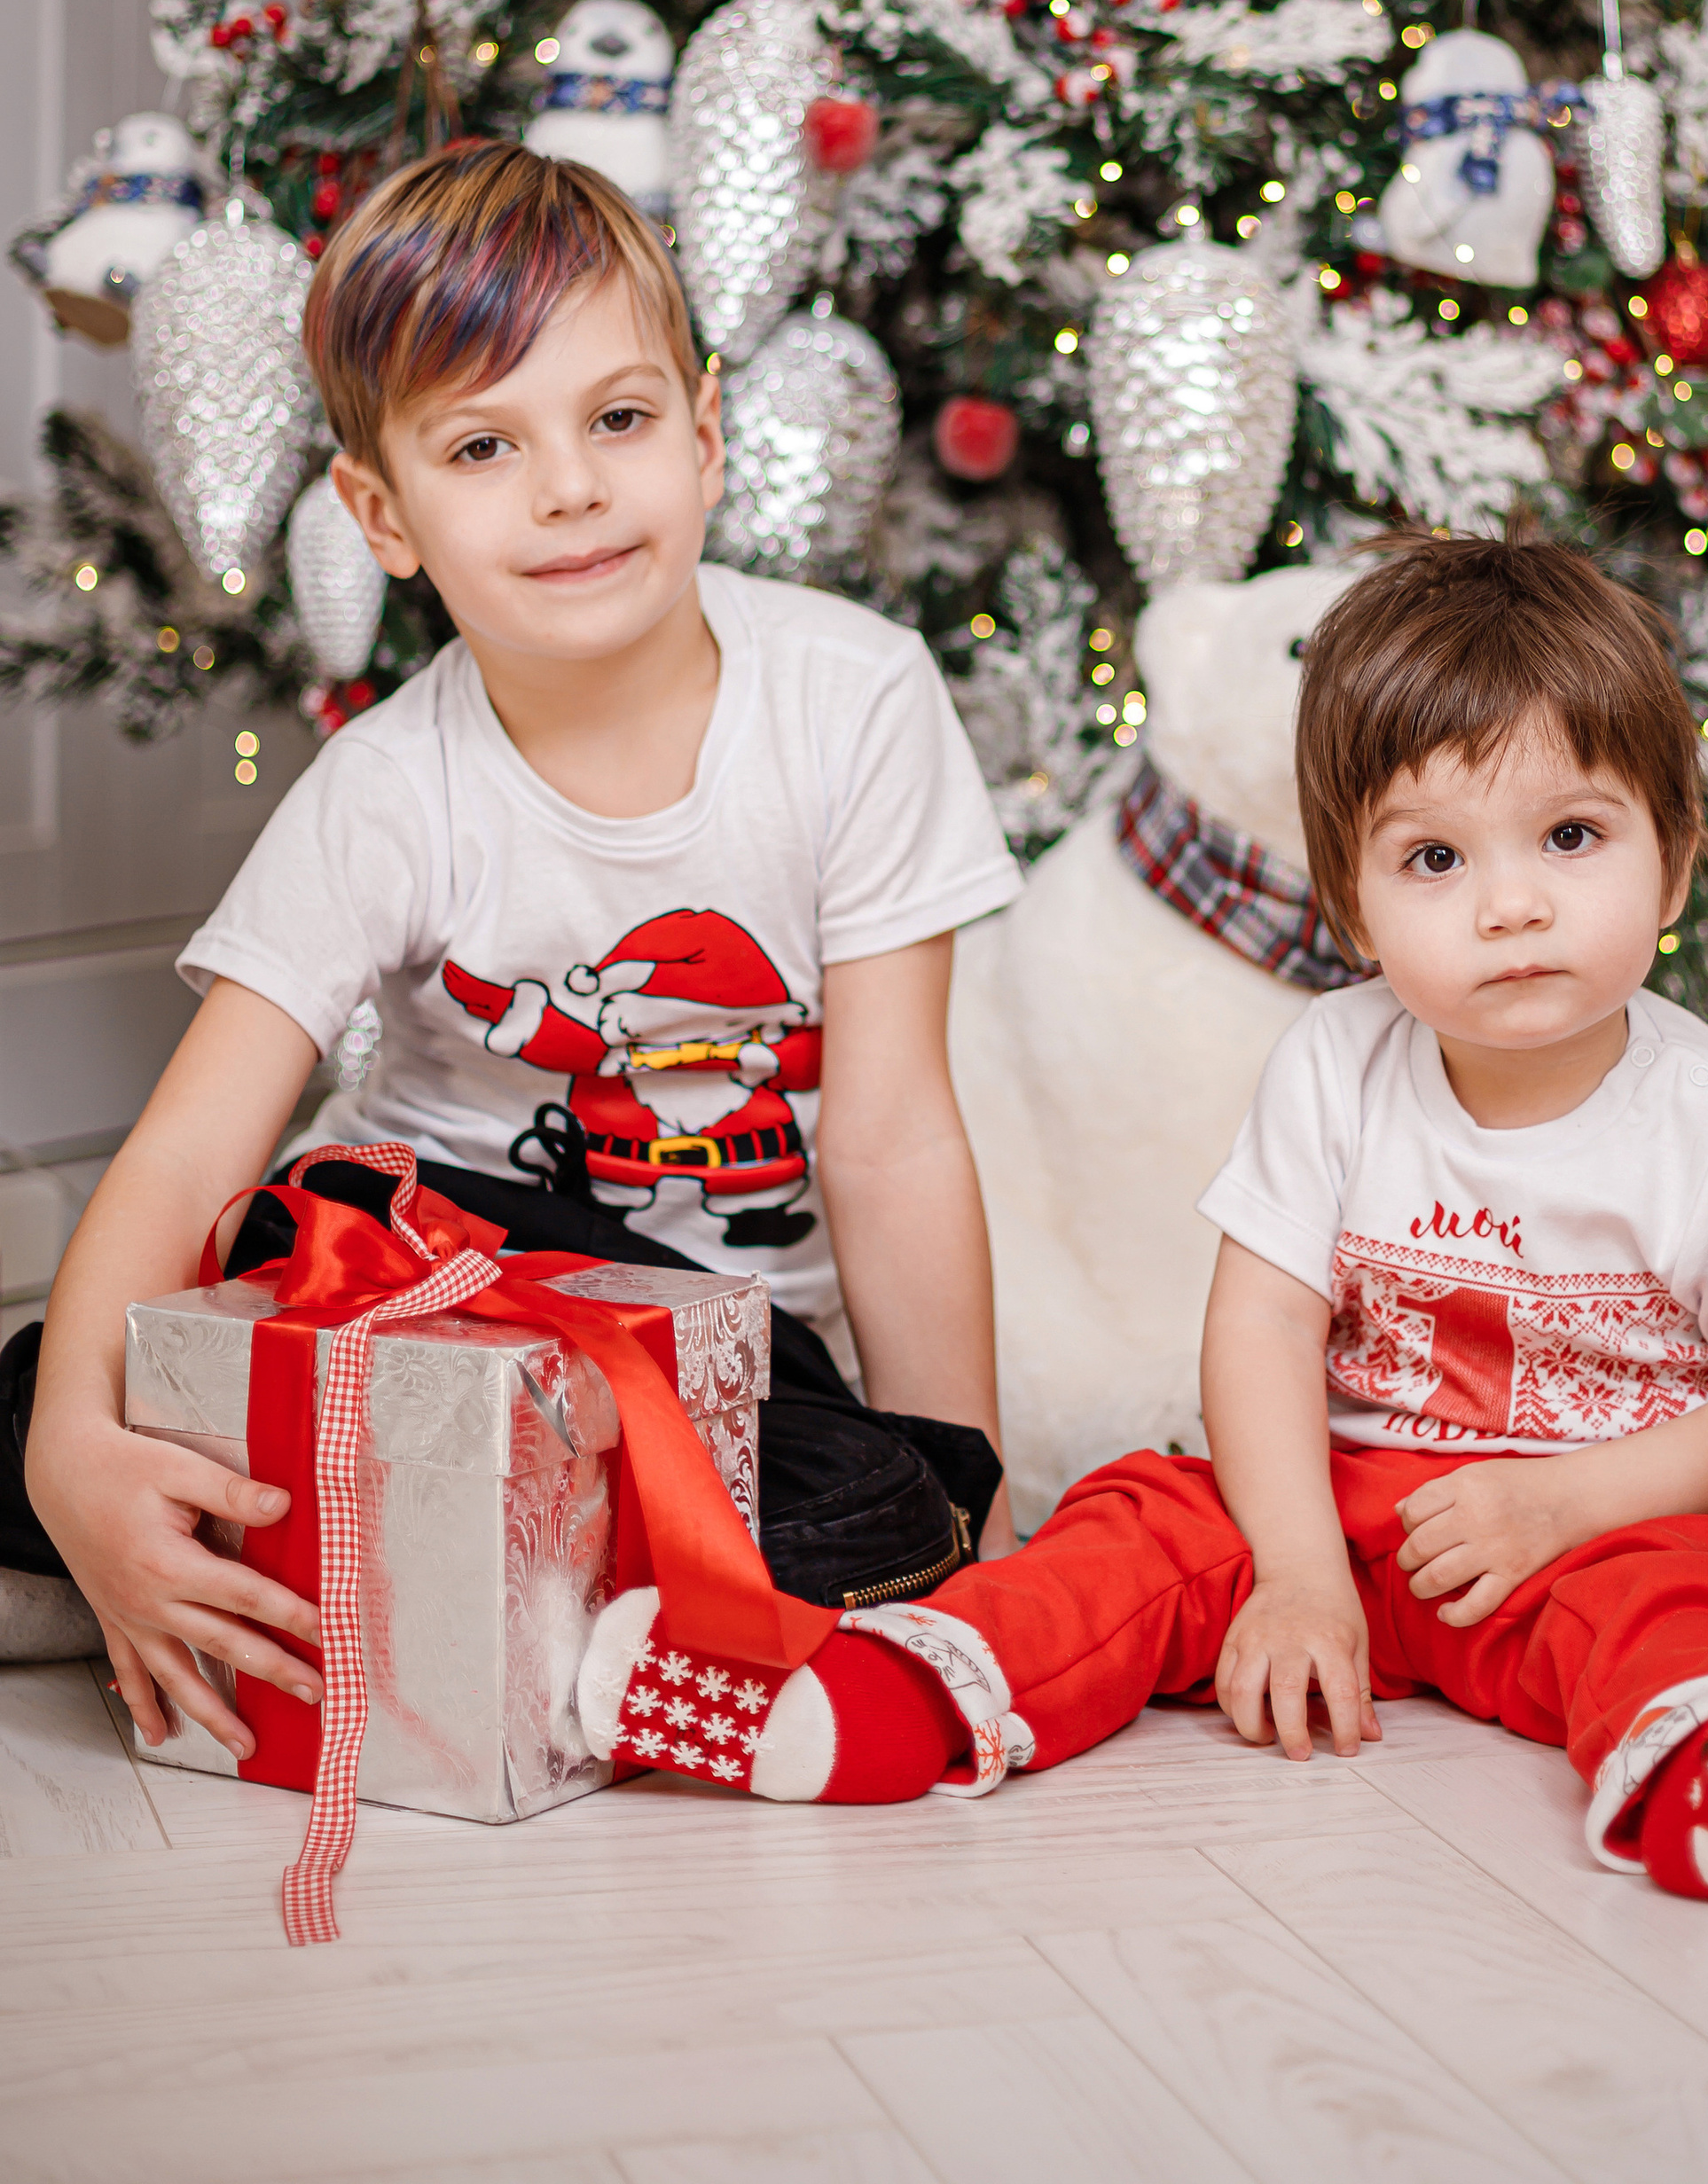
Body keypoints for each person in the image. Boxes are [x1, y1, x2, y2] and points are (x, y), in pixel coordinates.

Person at [576, 528, 1708, 1902]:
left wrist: (1571, 1500)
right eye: (1434, 861)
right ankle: (865, 1700)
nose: (1512, 904)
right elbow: (1262, 1326)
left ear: (1678, 852)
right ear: (1350, 900)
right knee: (1142, 1519)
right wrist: (1292, 1573)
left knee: (1688, 1584)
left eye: (1571, 836)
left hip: (1593, 1520)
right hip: (1338, 1503)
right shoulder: (1335, 1064)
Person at [9, 141, 1024, 1745]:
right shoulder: (390, 788)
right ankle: (120, 1534)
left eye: (617, 420)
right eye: (482, 446)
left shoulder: (856, 698)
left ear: (703, 433)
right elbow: (196, 1149)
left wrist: (964, 1511)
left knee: (876, 1503)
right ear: (383, 512)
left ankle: (453, 1574)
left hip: (729, 1351)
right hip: (433, 1288)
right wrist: (70, 1438)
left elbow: (893, 1138)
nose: (568, 489)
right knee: (42, 1399)